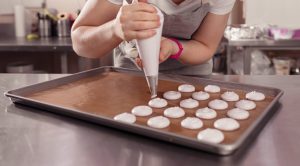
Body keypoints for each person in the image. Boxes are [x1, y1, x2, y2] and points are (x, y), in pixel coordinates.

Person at [71, 0, 236, 76]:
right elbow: (80, 42)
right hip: (130, 80)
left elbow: (205, 46)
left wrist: (173, 47)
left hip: (193, 82)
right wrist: (114, 29)